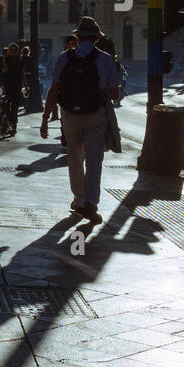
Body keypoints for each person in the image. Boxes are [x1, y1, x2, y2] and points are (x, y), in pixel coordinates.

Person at [41, 16, 120, 223]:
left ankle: (78, 199)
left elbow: (53, 89)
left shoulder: (63, 58)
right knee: (94, 160)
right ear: (96, 39)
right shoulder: (105, 59)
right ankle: (91, 204)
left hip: (70, 116)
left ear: (77, 37)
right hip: (96, 115)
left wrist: (45, 117)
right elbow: (113, 93)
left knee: (74, 158)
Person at [0, 43, 27, 135]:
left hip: (17, 86)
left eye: (15, 50)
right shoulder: (5, 59)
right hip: (7, 86)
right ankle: (9, 123)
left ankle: (13, 126)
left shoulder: (20, 61)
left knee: (15, 107)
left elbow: (22, 74)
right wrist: (4, 59)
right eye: (11, 50)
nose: (13, 52)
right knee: (7, 106)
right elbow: (5, 70)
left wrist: (25, 85)